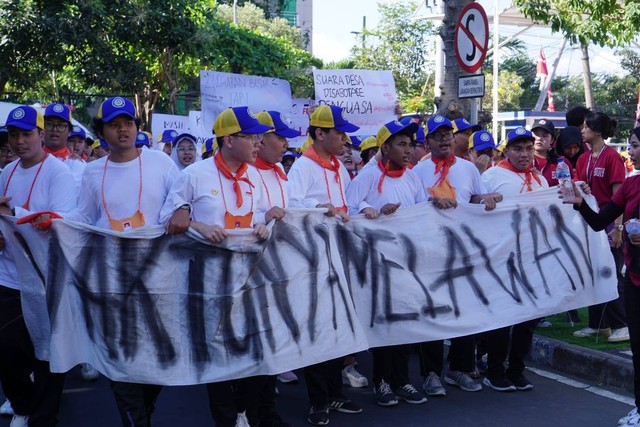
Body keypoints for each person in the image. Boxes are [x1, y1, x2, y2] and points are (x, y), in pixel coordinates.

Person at [68, 96, 181, 426]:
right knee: (121, 358)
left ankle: (143, 411)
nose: (122, 130)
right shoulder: (92, 173)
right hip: (113, 284)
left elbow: (181, 199)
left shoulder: (162, 164)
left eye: (128, 123)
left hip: (161, 282)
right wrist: (47, 220)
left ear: (136, 127)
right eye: (114, 125)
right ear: (102, 133)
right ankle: (136, 420)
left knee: (159, 363)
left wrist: (184, 210)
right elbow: (82, 216)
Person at [161, 106, 274, 427]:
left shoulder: (254, 176)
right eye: (251, 136)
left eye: (258, 136)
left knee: (252, 351)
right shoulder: (194, 175)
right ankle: (226, 419)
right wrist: (196, 224)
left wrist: (262, 225)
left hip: (248, 280)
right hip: (207, 284)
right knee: (218, 355)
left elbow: (259, 214)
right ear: (227, 140)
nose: (257, 142)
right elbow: (166, 223)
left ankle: (243, 410)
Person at [0, 105, 77, 427]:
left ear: (41, 135)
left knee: (47, 351)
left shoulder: (59, 173)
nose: (20, 141)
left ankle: (44, 417)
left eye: (27, 134)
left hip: (47, 278)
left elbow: (64, 222)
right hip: (8, 275)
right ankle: (23, 403)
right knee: (7, 350)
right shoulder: (6, 173)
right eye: (14, 135)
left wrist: (17, 212)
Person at [287, 105, 362, 426]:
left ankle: (334, 392)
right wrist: (319, 207)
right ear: (319, 133)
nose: (345, 139)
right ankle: (317, 400)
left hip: (339, 257)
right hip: (313, 261)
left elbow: (351, 202)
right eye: (339, 132)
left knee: (337, 328)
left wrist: (370, 207)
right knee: (317, 330)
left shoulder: (337, 167)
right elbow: (291, 206)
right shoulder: (303, 167)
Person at [560, 127, 640, 427]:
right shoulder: (632, 185)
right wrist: (579, 203)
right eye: (630, 146)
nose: (629, 152)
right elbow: (598, 222)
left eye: (634, 146)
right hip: (634, 281)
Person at [346, 119, 429, 407]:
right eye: (402, 144)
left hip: (407, 261)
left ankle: (402, 380)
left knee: (406, 322)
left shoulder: (413, 177)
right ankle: (382, 382)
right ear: (385, 147)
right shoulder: (367, 177)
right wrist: (372, 210)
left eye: (410, 145)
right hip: (376, 264)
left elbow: (422, 211)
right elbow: (350, 207)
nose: (409, 151)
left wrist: (437, 205)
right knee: (384, 324)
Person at [413, 115, 495, 397]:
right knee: (433, 314)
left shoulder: (469, 169)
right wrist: (431, 202)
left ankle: (459, 368)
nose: (445, 139)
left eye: (449, 134)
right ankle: (431, 373)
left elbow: (475, 198)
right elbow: (409, 211)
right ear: (428, 142)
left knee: (466, 310)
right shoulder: (418, 172)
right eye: (438, 135)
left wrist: (487, 199)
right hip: (431, 254)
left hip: (464, 252)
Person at [480, 127, 548, 392]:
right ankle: (495, 371)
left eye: (528, 148)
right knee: (503, 318)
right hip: (501, 259)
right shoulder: (492, 176)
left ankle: (517, 369)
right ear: (505, 151)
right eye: (517, 149)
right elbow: (474, 210)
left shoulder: (540, 180)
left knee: (528, 319)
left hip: (533, 258)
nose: (524, 154)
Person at [573, 112, 629, 343]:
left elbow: (619, 194)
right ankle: (598, 325)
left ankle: (622, 324)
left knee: (611, 272)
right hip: (589, 222)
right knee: (593, 272)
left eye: (586, 127)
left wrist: (618, 227)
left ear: (597, 131)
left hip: (609, 222)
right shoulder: (583, 158)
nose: (582, 130)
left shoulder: (612, 157)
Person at [42, 103, 86, 190]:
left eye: (61, 125)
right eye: (49, 124)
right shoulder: (30, 160)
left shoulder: (77, 164)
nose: (55, 129)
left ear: (69, 131)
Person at [531, 119, 560, 187]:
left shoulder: (561, 163)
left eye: (544, 136)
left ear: (552, 140)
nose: (539, 138)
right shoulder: (522, 161)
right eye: (536, 135)